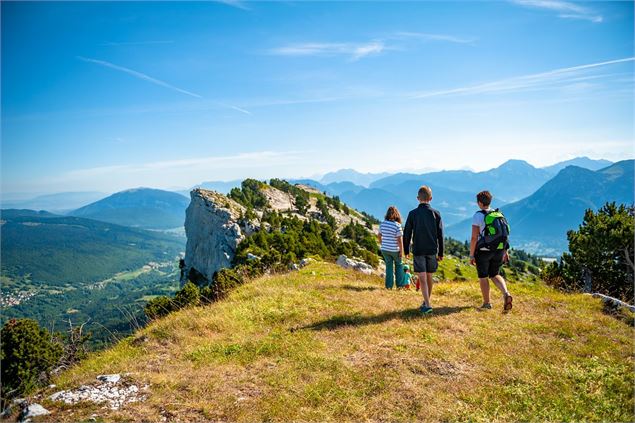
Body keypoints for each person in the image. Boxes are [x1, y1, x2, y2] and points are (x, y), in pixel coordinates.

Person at [469, 190, 513, 312]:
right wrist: (505, 251)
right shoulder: (498, 214)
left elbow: (474, 238)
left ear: (479, 202)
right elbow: (504, 235)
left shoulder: (478, 215)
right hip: (499, 249)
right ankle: (506, 293)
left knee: (483, 276)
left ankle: (487, 303)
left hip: (483, 251)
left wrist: (472, 255)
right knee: (495, 274)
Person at [403, 186, 443, 314]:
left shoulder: (412, 214)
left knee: (422, 278)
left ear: (417, 198)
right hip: (432, 249)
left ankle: (427, 305)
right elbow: (440, 234)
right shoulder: (436, 213)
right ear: (431, 198)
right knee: (429, 276)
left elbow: (407, 233)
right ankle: (426, 302)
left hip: (419, 249)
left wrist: (406, 250)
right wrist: (441, 252)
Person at [378, 206, 405, 289]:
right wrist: (401, 251)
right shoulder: (397, 225)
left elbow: (379, 235)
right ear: (397, 215)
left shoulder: (382, 224)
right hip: (394, 250)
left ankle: (388, 286)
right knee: (399, 266)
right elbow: (399, 240)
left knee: (389, 267)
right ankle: (399, 285)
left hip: (385, 249)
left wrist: (382, 243)